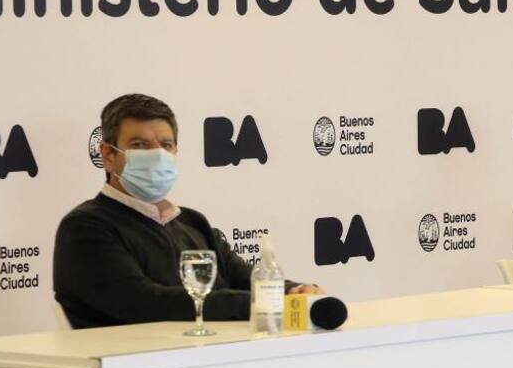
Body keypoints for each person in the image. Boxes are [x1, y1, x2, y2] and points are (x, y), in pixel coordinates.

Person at [54, 94, 321, 329]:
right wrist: (267, 300)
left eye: (166, 145)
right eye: (139, 145)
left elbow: (244, 278)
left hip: (206, 362)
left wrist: (292, 292)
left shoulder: (192, 222)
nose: (156, 155)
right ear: (108, 156)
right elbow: (146, 304)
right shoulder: (85, 228)